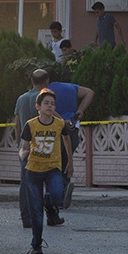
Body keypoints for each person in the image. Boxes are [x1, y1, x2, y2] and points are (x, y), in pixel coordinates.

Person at [19, 89, 73, 254]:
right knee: (36, 211)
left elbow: (66, 139)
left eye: (53, 104)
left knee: (57, 195)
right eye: (46, 103)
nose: (50, 106)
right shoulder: (31, 124)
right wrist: (23, 155)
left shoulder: (59, 124)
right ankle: (36, 245)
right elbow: (24, 147)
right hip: (33, 170)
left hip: (52, 168)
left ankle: (50, 206)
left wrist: (70, 161)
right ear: (38, 106)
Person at [45, 75, 95, 209]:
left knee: (55, 163)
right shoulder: (72, 87)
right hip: (73, 128)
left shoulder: (47, 90)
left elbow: (49, 109)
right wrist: (80, 110)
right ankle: (64, 188)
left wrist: (62, 121)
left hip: (56, 129)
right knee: (67, 160)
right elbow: (90, 92)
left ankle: (58, 194)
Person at [14, 68, 51, 228]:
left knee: (26, 183)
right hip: (44, 146)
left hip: (26, 147)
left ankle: (26, 218)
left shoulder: (21, 99)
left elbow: (17, 124)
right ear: (46, 82)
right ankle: (48, 214)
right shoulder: (45, 100)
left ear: (31, 81)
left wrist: (18, 144)